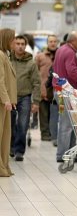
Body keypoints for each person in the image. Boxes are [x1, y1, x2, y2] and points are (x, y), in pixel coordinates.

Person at [53, 31, 77, 163]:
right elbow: (72, 71)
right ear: (72, 41)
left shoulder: (61, 49)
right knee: (67, 124)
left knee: (71, 123)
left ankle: (71, 153)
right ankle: (62, 154)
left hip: (59, 90)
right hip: (66, 92)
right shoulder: (70, 52)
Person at [10, 35, 41, 162]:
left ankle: (19, 151)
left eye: (22, 44)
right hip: (10, 97)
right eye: (17, 44)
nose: (20, 46)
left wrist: (36, 102)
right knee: (9, 124)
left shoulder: (31, 63)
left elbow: (36, 83)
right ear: (13, 45)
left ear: (25, 45)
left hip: (25, 97)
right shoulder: (8, 60)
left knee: (22, 125)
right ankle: (10, 146)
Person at [35, 34, 58, 143]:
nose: (53, 43)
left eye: (54, 41)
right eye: (51, 41)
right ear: (47, 43)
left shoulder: (60, 55)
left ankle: (54, 134)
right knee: (44, 114)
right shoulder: (40, 56)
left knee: (54, 114)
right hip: (44, 89)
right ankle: (45, 134)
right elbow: (35, 73)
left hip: (57, 90)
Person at [0, 28, 16, 177]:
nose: (15, 42)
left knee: (6, 136)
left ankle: (4, 166)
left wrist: (11, 100)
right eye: (13, 39)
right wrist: (6, 100)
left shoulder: (6, 55)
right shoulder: (0, 55)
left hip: (5, 102)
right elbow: (0, 81)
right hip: (1, 102)